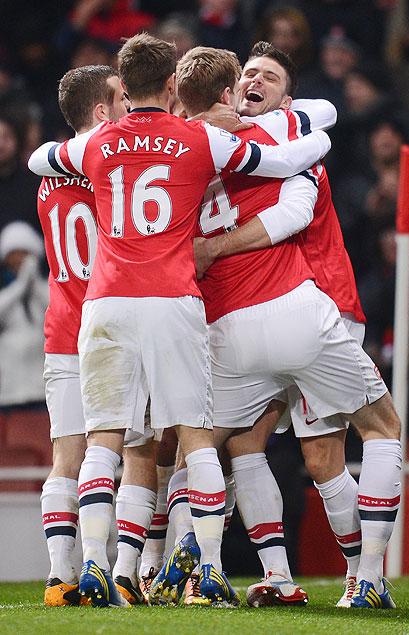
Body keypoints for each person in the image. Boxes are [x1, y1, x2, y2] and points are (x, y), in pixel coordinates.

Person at [28, 33, 331, 608]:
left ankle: (91, 570)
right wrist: (300, 130)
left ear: (125, 82)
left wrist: (95, 138)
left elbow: (39, 158)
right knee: (195, 438)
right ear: (171, 85)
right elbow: (284, 160)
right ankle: (210, 569)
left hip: (105, 303)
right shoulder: (201, 138)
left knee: (103, 441)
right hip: (172, 298)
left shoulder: (95, 144)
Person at [177, 42, 402, 610]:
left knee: (315, 458)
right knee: (251, 445)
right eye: (247, 73)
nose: (255, 81)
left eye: (269, 77)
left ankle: (357, 573)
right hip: (284, 315)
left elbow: (300, 196)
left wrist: (211, 248)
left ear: (286, 100)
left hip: (319, 302)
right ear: (230, 91)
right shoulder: (240, 147)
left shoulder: (274, 140)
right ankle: (281, 575)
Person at [36, 64, 160, 608]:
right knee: (137, 449)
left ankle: (61, 578)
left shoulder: (48, 175)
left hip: (62, 329)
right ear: (102, 112)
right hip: (114, 326)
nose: (131, 104)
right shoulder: (111, 168)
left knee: (66, 455)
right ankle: (125, 572)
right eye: (121, 97)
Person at [0, 221, 48, 409]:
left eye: (24, 254)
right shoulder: (7, 295)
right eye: (14, 256)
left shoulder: (45, 291)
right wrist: (20, 286)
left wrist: (33, 282)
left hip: (41, 391)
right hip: (8, 394)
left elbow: (59, 315)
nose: (19, 261)